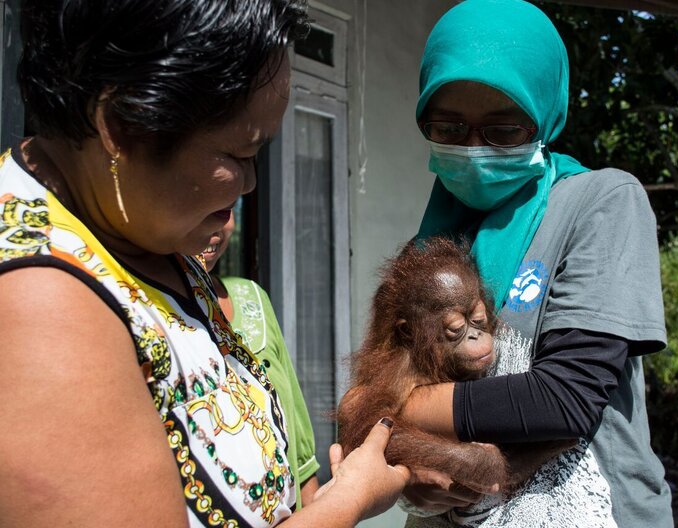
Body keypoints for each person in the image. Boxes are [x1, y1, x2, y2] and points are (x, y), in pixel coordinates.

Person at [0, 1, 409, 527]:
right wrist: (348, 503)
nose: (252, 183)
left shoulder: (138, 231)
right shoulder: (37, 305)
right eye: (240, 153)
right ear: (122, 124)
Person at [398, 0, 673, 527]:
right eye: (450, 129)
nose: (474, 150)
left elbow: (562, 400)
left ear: (543, 118)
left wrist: (395, 411)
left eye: (503, 132)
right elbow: (372, 382)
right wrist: (415, 475)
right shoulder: (430, 242)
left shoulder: (601, 201)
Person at [200, 210, 321, 509]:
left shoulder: (252, 296)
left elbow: (296, 426)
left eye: (227, 207)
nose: (216, 221)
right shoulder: (150, 311)